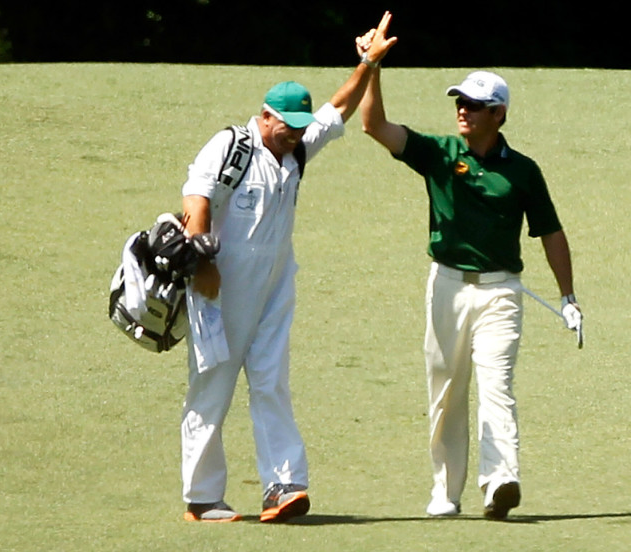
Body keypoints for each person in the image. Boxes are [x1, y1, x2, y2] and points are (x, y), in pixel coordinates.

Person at [177, 13, 397, 523]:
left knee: (272, 382)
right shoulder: (230, 146)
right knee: (213, 385)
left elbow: (338, 106)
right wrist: (203, 262)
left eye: (301, 129)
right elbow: (197, 201)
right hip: (218, 287)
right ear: (265, 116)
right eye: (287, 127)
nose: (296, 136)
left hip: (275, 286)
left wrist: (367, 62)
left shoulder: (295, 148)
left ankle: (284, 486)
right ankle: (202, 497)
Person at [360, 63, 582, 520]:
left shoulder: (523, 172)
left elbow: (550, 233)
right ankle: (445, 491)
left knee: (497, 385)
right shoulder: (438, 153)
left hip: (501, 293)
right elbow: (374, 125)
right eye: (460, 102)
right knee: (446, 391)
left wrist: (568, 297)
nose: (463, 111)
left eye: (474, 105)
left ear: (498, 114)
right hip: (446, 286)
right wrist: (371, 68)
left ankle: (501, 480)